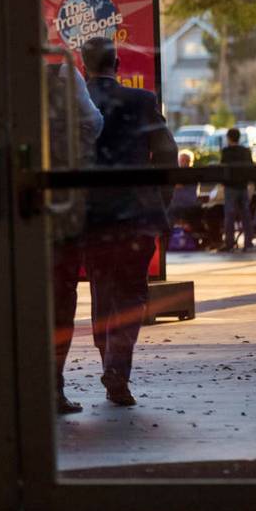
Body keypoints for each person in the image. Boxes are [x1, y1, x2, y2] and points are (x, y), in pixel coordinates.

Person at [81, 36, 178, 406]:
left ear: (83, 64)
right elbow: (167, 150)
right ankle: (118, 369)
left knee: (101, 290)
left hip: (93, 216)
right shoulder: (142, 101)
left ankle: (110, 361)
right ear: (117, 64)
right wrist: (160, 198)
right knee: (133, 292)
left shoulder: (80, 102)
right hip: (137, 214)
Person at [44, 54, 103, 414]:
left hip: (18, 221)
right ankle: (53, 386)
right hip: (65, 214)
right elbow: (95, 123)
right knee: (62, 300)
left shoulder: (10, 82)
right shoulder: (69, 79)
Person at [220, 127, 254, 252]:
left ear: (229, 138)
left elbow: (223, 168)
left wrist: (223, 183)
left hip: (230, 187)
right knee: (246, 215)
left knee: (229, 216)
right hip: (242, 186)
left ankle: (229, 243)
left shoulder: (226, 152)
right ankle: (248, 242)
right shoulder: (246, 151)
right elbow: (251, 167)